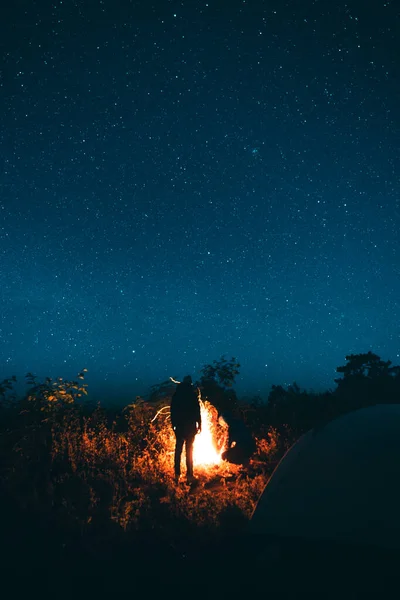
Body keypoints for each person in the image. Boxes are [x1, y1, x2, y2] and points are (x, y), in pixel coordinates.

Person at [170, 375, 201, 483]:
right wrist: (199, 424)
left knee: (178, 450)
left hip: (179, 426)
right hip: (190, 426)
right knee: (189, 450)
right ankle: (189, 475)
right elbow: (197, 410)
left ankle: (177, 475)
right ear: (190, 383)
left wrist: (173, 425)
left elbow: (173, 410)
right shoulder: (192, 394)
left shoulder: (177, 394)